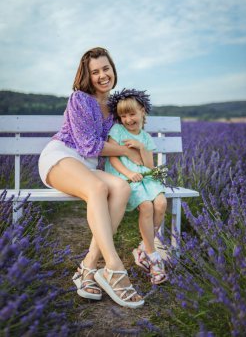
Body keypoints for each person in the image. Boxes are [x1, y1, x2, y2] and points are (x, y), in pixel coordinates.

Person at [38, 47, 144, 308]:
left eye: (106, 69)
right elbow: (88, 145)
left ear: (113, 70)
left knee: (120, 188)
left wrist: (140, 152)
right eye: (95, 71)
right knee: (97, 188)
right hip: (61, 158)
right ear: (87, 75)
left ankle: (87, 268)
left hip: (86, 167)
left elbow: (126, 135)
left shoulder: (115, 106)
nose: (102, 75)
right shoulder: (79, 99)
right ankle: (114, 267)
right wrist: (125, 150)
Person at [105, 89, 168, 285]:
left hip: (145, 175)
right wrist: (128, 173)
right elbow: (112, 157)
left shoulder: (146, 137)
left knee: (161, 203)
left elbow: (149, 166)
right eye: (123, 115)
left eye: (132, 114)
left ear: (142, 111)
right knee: (147, 207)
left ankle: (143, 247)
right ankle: (152, 255)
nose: (128, 119)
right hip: (124, 175)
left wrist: (141, 147)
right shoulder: (117, 131)